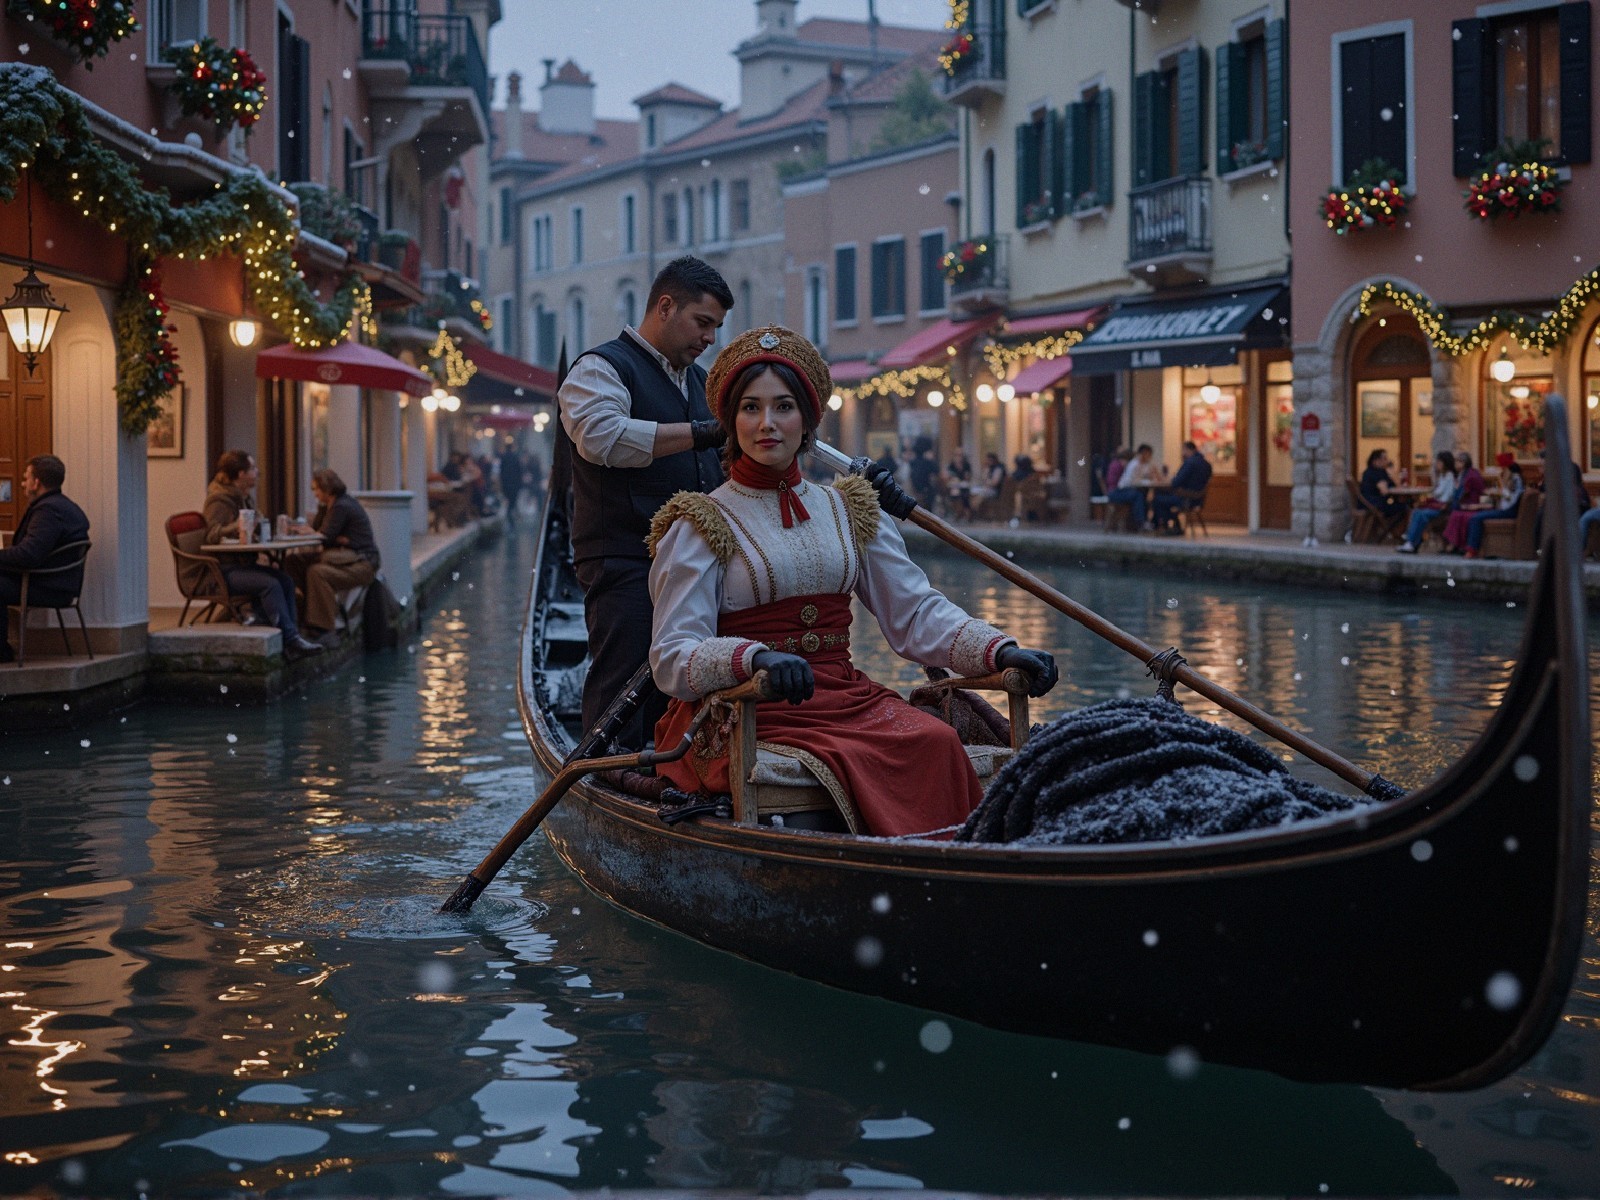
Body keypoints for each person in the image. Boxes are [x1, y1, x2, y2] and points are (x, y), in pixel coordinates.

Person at [646, 325, 1058, 837]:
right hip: (748, 709)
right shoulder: (698, 522)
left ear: (808, 419)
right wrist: (753, 659)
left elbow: (912, 613)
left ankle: (941, 867)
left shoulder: (849, 508)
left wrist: (999, 650)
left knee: (935, 741)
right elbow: (671, 655)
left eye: (783, 407)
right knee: (871, 753)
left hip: (846, 697)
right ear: (731, 421)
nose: (766, 424)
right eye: (750, 408)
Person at [559, 254, 733, 749]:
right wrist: (702, 433)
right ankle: (607, 777)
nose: (709, 339)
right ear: (664, 306)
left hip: (692, 561)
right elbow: (602, 438)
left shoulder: (702, 382)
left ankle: (669, 772)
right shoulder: (600, 368)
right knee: (626, 679)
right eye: (702, 323)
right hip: (623, 556)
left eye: (716, 327)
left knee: (685, 683)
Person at [203, 450, 322, 658]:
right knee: (270, 584)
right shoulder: (219, 500)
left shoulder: (243, 498)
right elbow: (212, 535)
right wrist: (239, 526)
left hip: (241, 565)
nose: (257, 472)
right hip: (224, 571)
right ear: (240, 474)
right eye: (253, 469)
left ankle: (292, 639)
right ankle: (292, 640)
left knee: (285, 580)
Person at [0, 454, 89, 664]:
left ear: (36, 482)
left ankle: (1, 652)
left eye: (25, 478)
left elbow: (28, 555)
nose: (22, 483)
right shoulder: (65, 506)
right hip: (58, 583)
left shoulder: (48, 511)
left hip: (47, 587)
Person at [296, 468, 380, 640]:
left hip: (362, 565)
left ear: (326, 489)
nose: (315, 494)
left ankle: (324, 626)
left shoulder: (341, 506)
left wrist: (319, 534)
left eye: (316, 489)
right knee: (295, 562)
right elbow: (326, 533)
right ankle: (307, 612)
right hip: (349, 559)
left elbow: (325, 535)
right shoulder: (334, 505)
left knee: (316, 572)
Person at [1395, 451, 1458, 553]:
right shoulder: (1442, 476)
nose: (1437, 464)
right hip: (1438, 504)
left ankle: (1412, 540)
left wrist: (1434, 493)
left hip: (1443, 507)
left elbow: (1446, 495)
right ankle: (1412, 541)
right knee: (1416, 512)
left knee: (1422, 514)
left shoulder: (1449, 477)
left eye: (1439, 462)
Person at [1462, 458, 1525, 558]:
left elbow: (1509, 497)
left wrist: (1498, 492)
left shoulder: (1515, 479)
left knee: (1476, 518)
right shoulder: (1512, 478)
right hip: (1506, 509)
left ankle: (1472, 549)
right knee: (1477, 515)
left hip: (1509, 511)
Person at [1151, 441, 1214, 532]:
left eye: (1183, 450)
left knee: (1157, 499)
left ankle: (1167, 526)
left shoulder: (1190, 463)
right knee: (1162, 496)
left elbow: (1176, 482)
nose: (1182, 453)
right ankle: (1171, 526)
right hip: (1198, 499)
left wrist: (1169, 482)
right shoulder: (1207, 464)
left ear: (1187, 450)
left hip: (1186, 499)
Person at [1437, 452, 1489, 553]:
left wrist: (1452, 504)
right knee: (1454, 513)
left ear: (1463, 463)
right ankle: (1453, 544)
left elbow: (1462, 494)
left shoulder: (1470, 476)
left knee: (1456, 514)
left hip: (1472, 505)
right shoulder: (1463, 474)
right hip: (1466, 503)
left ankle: (1453, 544)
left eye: (1457, 461)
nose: (1455, 464)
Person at [1106, 443, 1165, 529]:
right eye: (1146, 454)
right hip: (1120, 491)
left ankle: (1151, 522)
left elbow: (1157, 476)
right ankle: (1141, 523)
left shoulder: (1147, 464)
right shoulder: (1134, 464)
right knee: (1139, 495)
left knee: (1146, 495)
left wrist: (1154, 472)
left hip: (1133, 490)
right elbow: (1133, 481)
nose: (1148, 456)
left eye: (1149, 454)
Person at [1359, 448, 1407, 523]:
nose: (1387, 461)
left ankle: (1395, 532)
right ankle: (1401, 532)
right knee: (1405, 507)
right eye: (1384, 459)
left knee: (1403, 505)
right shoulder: (1373, 473)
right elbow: (1384, 491)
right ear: (1376, 461)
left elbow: (1395, 486)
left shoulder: (1381, 472)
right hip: (1373, 505)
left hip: (1376, 504)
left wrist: (1392, 473)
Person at [908, 438, 940, 511]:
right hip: (927, 491)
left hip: (916, 491)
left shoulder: (913, 462)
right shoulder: (928, 462)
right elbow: (936, 471)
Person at [498, 443, 526, 526]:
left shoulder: (503, 458)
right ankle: (511, 516)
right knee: (512, 501)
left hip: (506, 484)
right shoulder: (515, 457)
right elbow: (519, 471)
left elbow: (501, 472)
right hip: (515, 484)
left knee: (510, 501)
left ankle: (511, 517)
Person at [946, 447, 973, 519]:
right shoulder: (951, 465)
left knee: (965, 495)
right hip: (954, 486)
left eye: (960, 455)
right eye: (956, 455)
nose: (958, 457)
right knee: (954, 493)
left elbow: (968, 477)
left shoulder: (966, 465)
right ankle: (958, 512)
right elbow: (949, 476)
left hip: (964, 486)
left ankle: (967, 513)